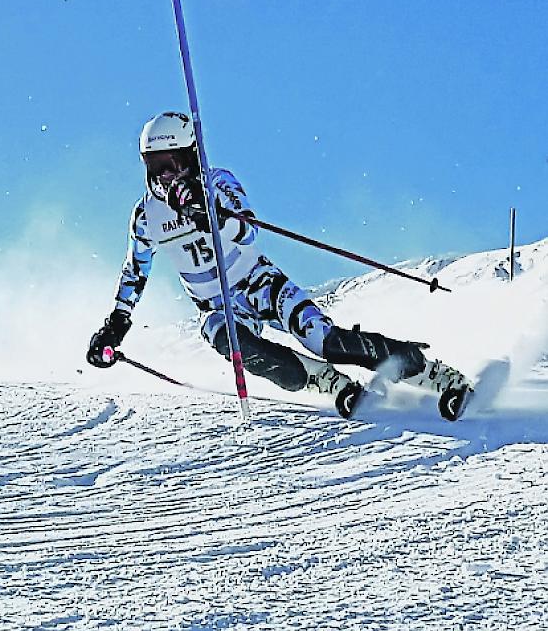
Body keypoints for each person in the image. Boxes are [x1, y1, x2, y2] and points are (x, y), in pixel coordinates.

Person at [87, 112, 474, 421]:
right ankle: (327, 384)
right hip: (216, 307)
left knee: (328, 342)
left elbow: (248, 231)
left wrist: (210, 213)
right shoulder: (145, 216)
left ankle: (434, 375)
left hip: (259, 283)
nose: (167, 177)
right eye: (157, 168)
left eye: (174, 164)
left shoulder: (216, 183)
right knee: (234, 343)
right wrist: (116, 326)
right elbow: (134, 272)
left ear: (191, 156)